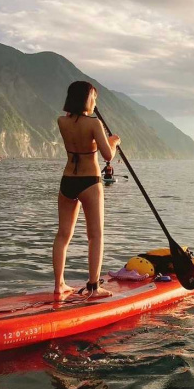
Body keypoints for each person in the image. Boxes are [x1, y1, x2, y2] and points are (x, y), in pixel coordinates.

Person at [53, 81, 120, 299]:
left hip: (68, 180)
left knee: (63, 234)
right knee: (95, 235)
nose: (95, 102)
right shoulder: (94, 123)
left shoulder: (62, 121)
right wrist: (114, 142)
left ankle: (59, 285)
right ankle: (93, 287)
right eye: (94, 97)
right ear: (86, 99)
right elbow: (107, 155)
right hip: (89, 181)